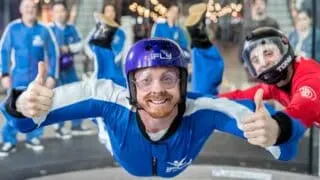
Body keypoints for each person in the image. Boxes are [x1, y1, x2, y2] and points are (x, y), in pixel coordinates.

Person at [4, 36, 305, 177]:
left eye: (168, 78)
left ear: (183, 83)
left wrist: (277, 131)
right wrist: (21, 101)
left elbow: (285, 149)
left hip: (162, 137)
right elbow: (25, 122)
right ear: (132, 87)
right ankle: (101, 42)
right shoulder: (109, 96)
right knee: (101, 94)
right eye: (145, 80)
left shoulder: (204, 109)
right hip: (115, 129)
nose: (158, 89)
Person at [220, 27, 320, 128]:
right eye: (255, 60)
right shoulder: (274, 86)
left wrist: (275, 127)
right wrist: (209, 101)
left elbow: (299, 111)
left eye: (268, 53)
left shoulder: (308, 76)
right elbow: (240, 96)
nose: (263, 63)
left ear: (283, 51)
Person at [0, 0, 59, 156]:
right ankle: (8, 140)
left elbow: (54, 54)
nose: (30, 9)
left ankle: (33, 137)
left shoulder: (44, 30)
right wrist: (4, 73)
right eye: (27, 7)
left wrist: (53, 76)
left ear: (36, 10)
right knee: (13, 110)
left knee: (36, 110)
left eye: (32, 7)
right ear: (21, 10)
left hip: (37, 79)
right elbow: (4, 51)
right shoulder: (13, 28)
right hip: (17, 78)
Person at [49, 2, 91, 138]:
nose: (60, 14)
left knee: (76, 96)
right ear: (52, 13)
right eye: (57, 11)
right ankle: (59, 128)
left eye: (62, 11)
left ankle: (76, 125)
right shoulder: (48, 30)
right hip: (55, 71)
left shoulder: (72, 28)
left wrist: (69, 48)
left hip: (70, 69)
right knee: (58, 99)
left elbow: (80, 44)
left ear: (66, 13)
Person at [185, 3, 224, 95]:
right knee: (211, 71)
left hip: (196, 52)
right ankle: (198, 35)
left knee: (202, 76)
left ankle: (197, 35)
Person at [84, 3, 126, 86]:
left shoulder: (121, 31)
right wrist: (94, 54)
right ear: (103, 13)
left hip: (114, 69)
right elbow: (88, 44)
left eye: (112, 11)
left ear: (115, 13)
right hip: (97, 68)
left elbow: (120, 52)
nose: (110, 14)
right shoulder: (97, 29)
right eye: (107, 11)